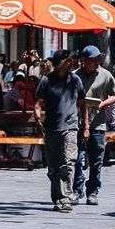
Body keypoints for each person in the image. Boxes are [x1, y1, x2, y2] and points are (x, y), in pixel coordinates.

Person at [34, 49, 86, 213]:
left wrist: (86, 126)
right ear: (60, 63)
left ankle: (66, 198)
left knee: (68, 162)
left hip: (70, 127)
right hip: (51, 127)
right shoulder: (46, 81)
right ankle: (58, 197)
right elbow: (38, 103)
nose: (71, 62)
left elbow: (83, 103)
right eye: (68, 60)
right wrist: (37, 115)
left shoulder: (75, 80)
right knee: (54, 166)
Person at [75, 45, 115, 206]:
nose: (97, 62)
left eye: (98, 59)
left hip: (98, 124)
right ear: (85, 61)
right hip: (78, 124)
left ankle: (92, 191)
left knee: (96, 161)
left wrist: (103, 104)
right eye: (93, 60)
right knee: (77, 159)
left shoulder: (105, 75)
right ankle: (77, 190)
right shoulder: (75, 76)